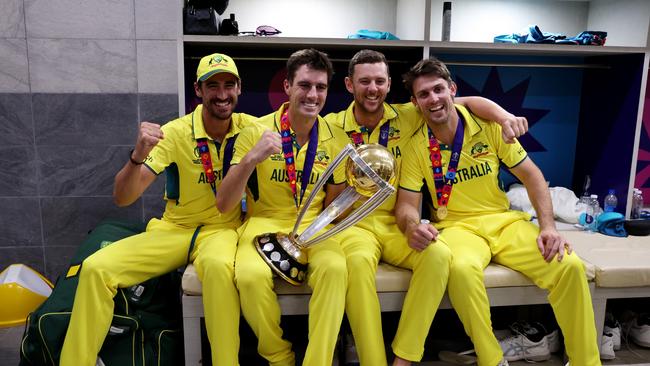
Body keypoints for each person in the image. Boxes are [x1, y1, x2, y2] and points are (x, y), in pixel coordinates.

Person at [325, 49, 530, 366]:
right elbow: (333, 198)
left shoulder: (408, 114)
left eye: (379, 81)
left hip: (396, 223)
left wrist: (504, 117)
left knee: (439, 254)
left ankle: (404, 358)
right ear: (350, 85)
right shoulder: (332, 126)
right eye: (364, 81)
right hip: (357, 225)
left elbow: (467, 102)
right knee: (359, 265)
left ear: (389, 84)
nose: (373, 88)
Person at [394, 57, 600, 366]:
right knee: (461, 270)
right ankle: (492, 359)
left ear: (452, 89)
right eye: (424, 94)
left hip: (504, 223)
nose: (433, 99)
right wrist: (412, 226)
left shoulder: (490, 128)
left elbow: (532, 176)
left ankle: (585, 361)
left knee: (568, 265)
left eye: (438, 89)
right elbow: (407, 205)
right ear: (415, 103)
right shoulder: (414, 147)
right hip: (458, 229)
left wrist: (548, 227)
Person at [60, 53, 254, 366]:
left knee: (218, 270)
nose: (222, 94)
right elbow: (123, 197)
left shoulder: (251, 128)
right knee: (96, 268)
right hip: (174, 230)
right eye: (212, 85)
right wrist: (137, 154)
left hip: (221, 230)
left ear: (239, 89)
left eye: (229, 85)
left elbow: (295, 127)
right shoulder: (175, 133)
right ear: (198, 90)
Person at [216, 48, 350, 366]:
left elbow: (335, 202)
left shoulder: (336, 138)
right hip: (264, 221)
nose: (312, 94)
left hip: (315, 225)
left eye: (320, 87)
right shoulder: (254, 131)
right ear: (287, 86)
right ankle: (279, 357)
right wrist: (252, 157)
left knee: (335, 269)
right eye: (304, 85)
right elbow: (224, 203)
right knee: (248, 277)